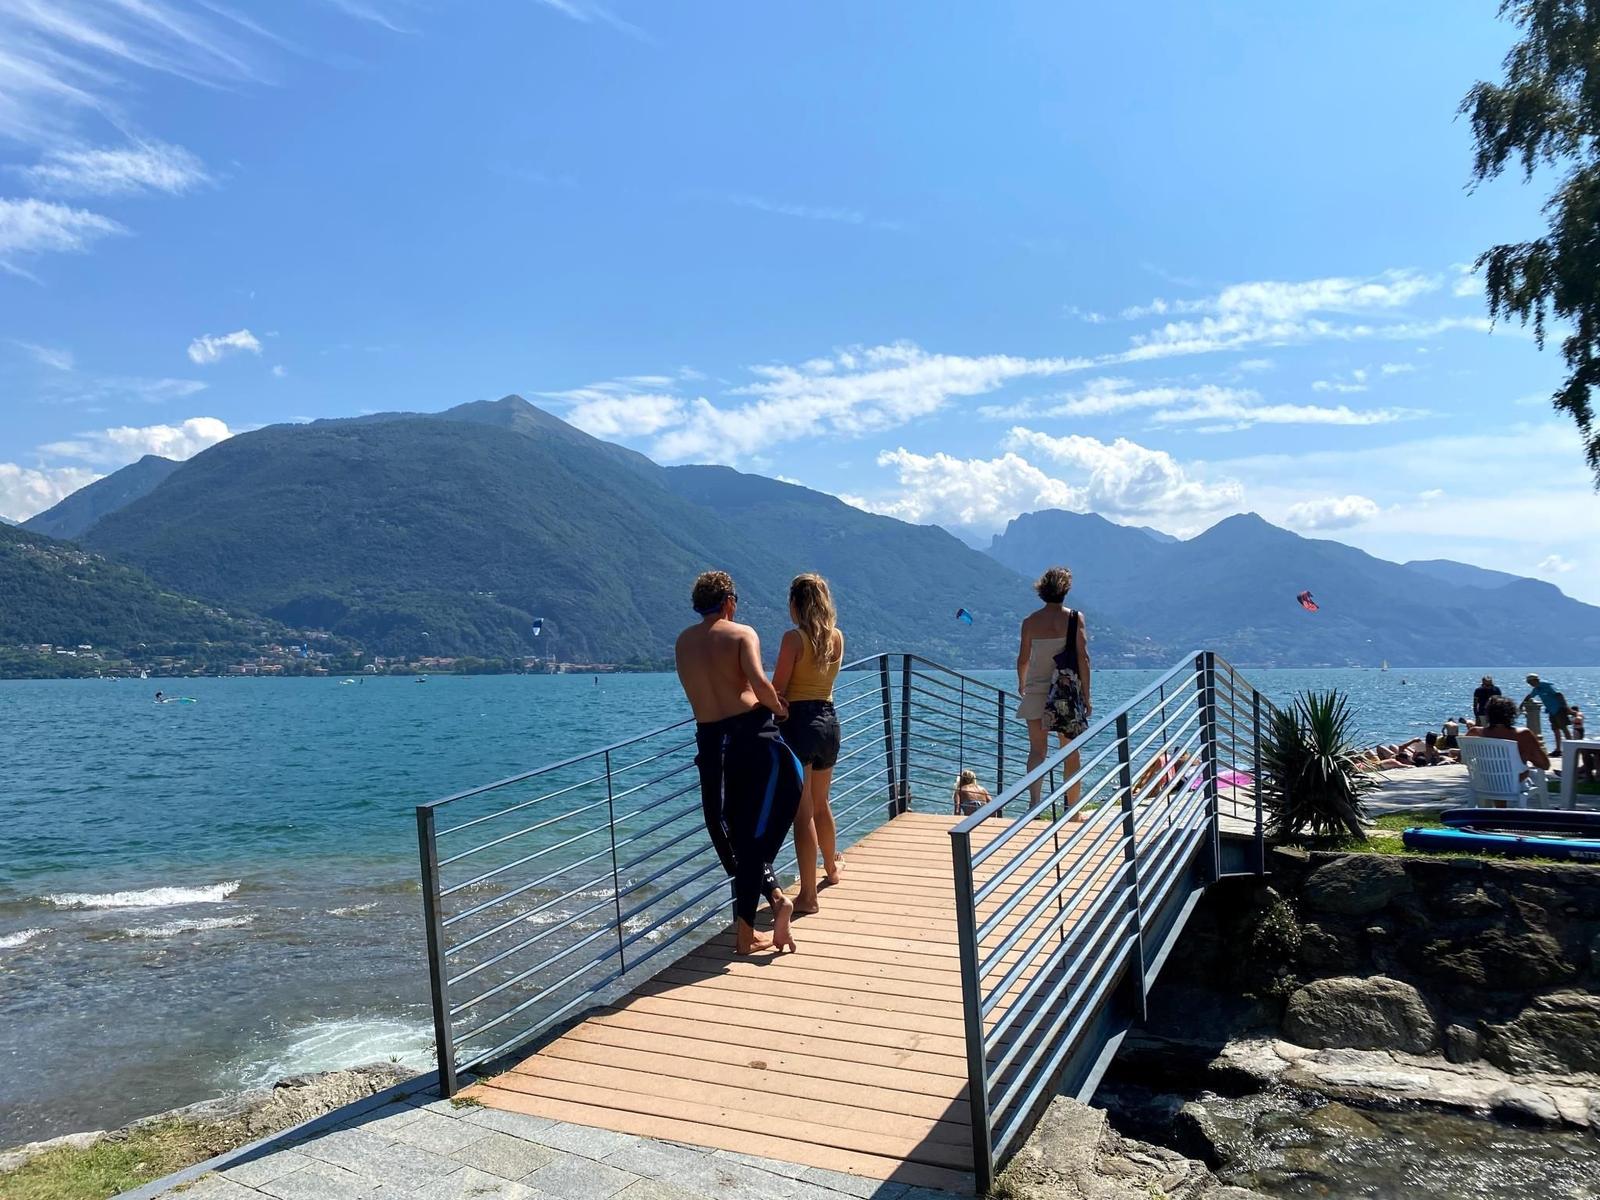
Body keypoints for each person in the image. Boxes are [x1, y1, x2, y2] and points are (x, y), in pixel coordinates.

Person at [674, 571, 803, 954]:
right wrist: (779, 707)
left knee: (727, 828)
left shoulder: (683, 642)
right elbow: (760, 685)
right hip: (750, 737)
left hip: (711, 742)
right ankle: (748, 932)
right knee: (756, 833)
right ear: (729, 600)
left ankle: (775, 900)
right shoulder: (741, 633)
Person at [773, 573, 845, 916]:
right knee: (821, 803)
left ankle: (808, 897)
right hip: (829, 721)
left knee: (802, 815)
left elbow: (778, 688)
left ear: (795, 604)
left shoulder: (793, 639)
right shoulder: (837, 638)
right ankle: (831, 870)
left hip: (798, 724)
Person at [1016, 566, 1092, 809]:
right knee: (1070, 751)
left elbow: (1023, 659)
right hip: (1067, 694)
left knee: (1037, 751)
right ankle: (1072, 807)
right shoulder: (1074, 619)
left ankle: (1035, 804)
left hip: (1036, 690)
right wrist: (1087, 697)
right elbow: (1083, 658)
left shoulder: (1030, 622)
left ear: (1042, 591)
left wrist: (1022, 684)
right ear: (1065, 590)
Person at [1468, 695, 1552, 796]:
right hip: (1514, 784)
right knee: (1532, 774)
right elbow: (1545, 765)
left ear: (1488, 714)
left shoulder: (1474, 733)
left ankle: (1500, 809)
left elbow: (1462, 758)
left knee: (1498, 776)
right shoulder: (1523, 734)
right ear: (1512, 714)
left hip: (1484, 782)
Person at [1520, 674, 1570, 751]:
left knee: (1564, 728)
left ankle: (1570, 747)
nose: (1530, 684)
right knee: (1555, 730)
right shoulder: (1537, 688)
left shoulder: (1546, 685)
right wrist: (1521, 705)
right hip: (1551, 711)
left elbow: (1559, 694)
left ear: (1535, 680)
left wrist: (1565, 707)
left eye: (1530, 682)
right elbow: (1529, 696)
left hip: (1559, 709)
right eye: (1528, 683)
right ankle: (1558, 749)